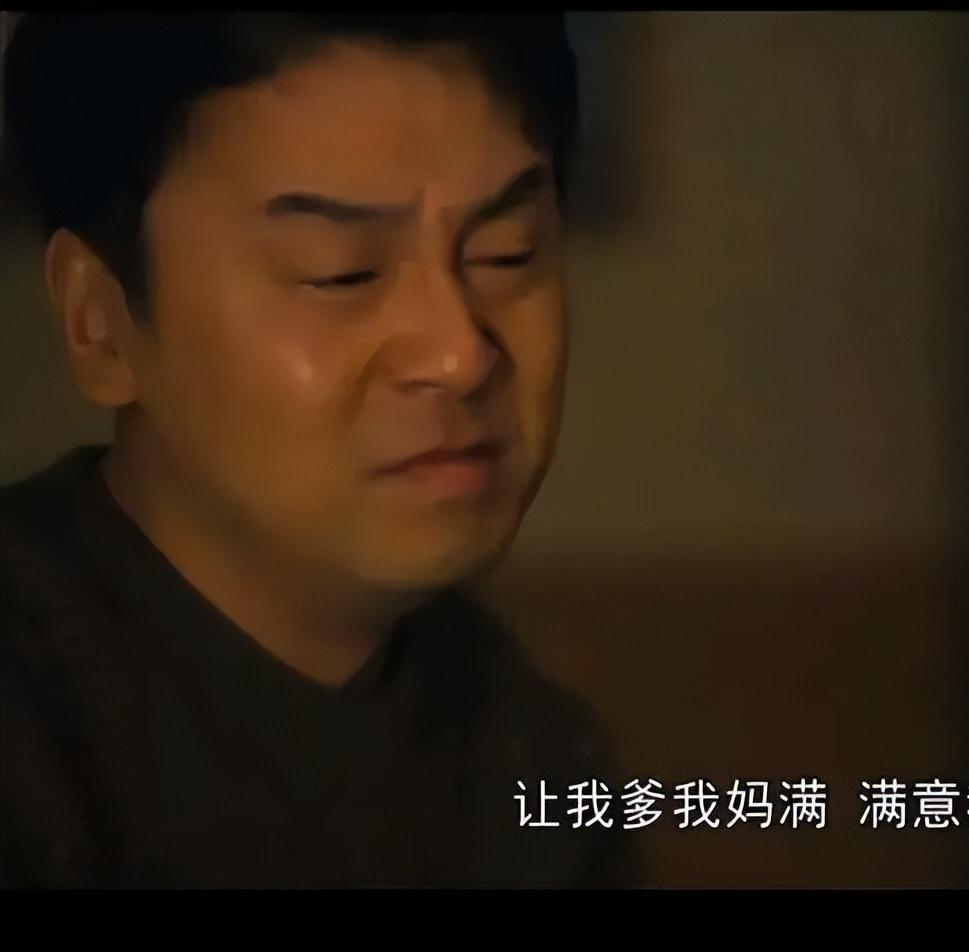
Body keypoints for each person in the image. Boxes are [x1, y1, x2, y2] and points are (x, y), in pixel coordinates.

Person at [0, 12, 639, 888]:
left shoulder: (537, 761)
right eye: (339, 271)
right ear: (100, 322)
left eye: (505, 253)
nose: (458, 353)